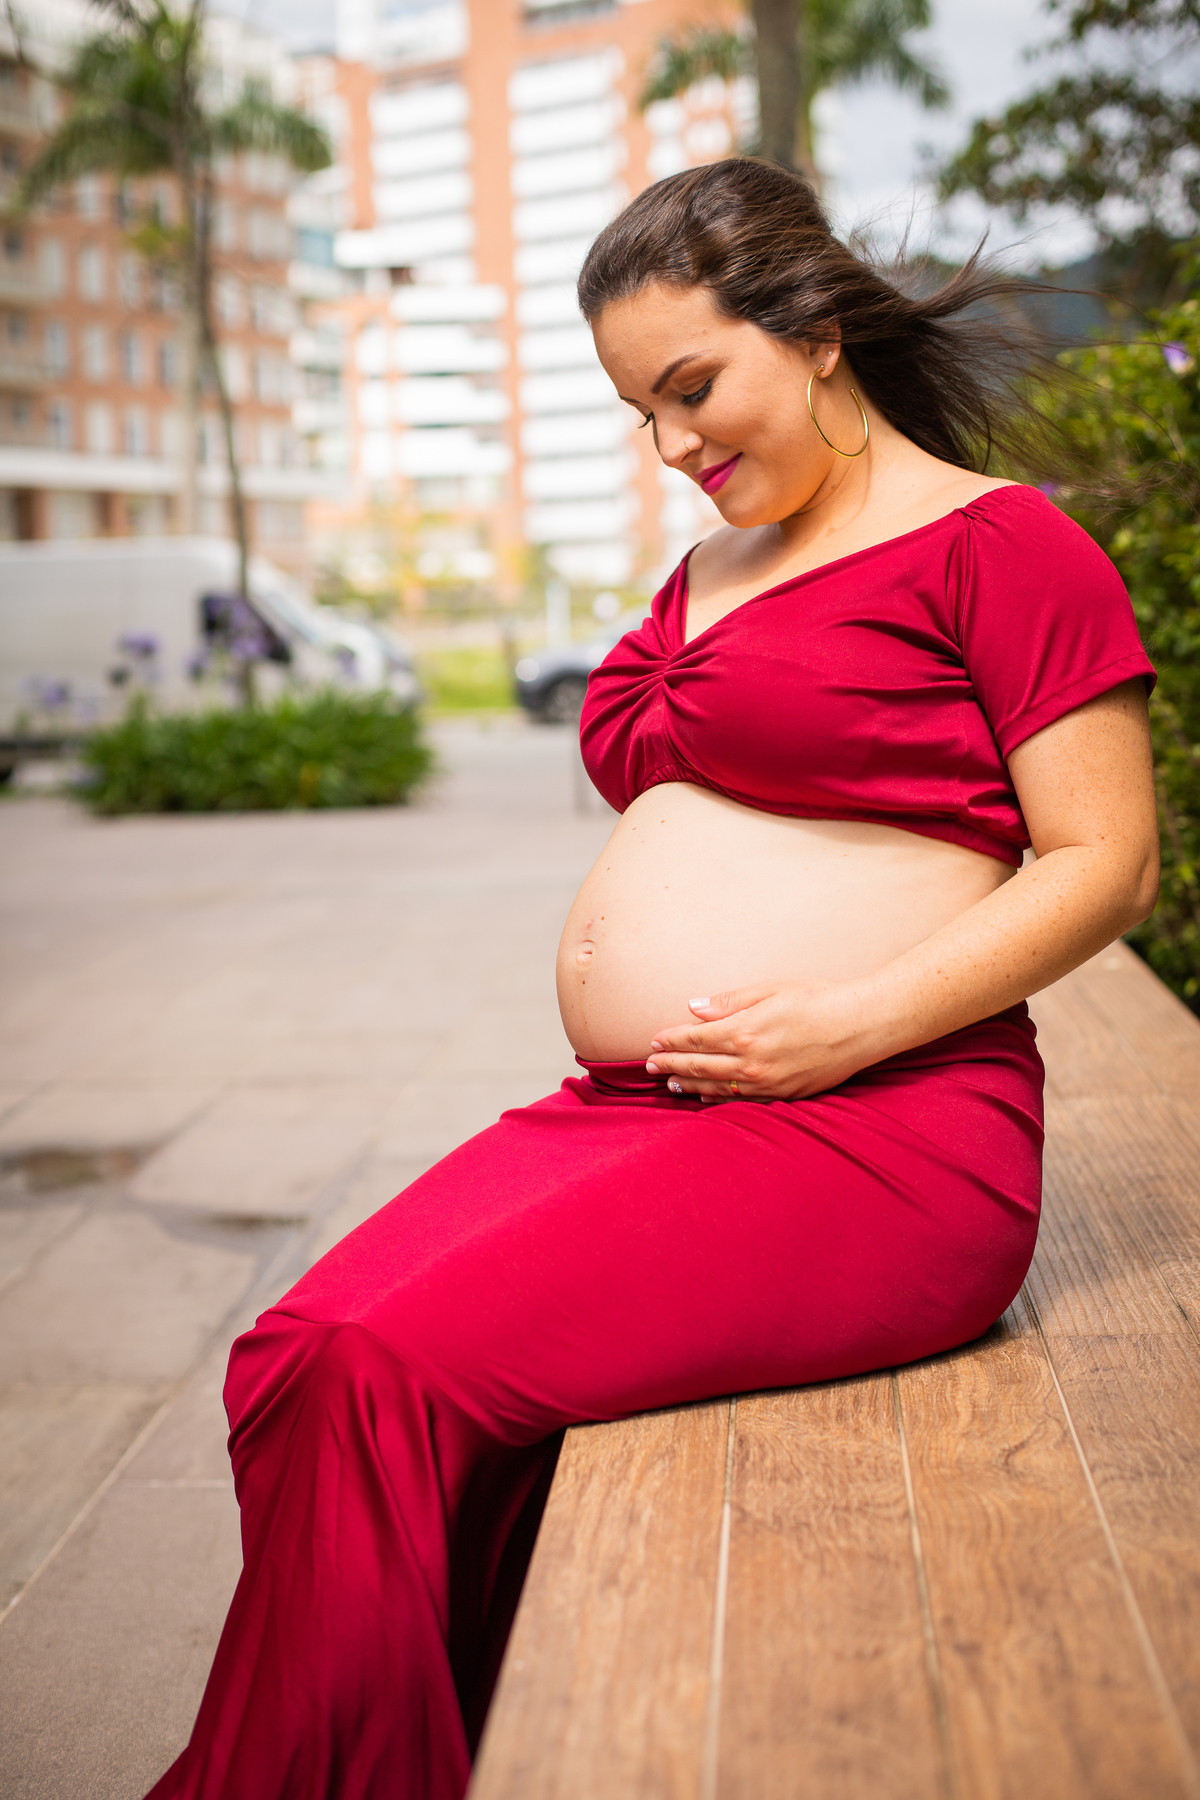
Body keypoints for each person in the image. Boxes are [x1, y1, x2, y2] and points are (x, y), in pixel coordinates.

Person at [146, 159, 1158, 1800]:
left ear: (818, 329)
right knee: (304, 1347)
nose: (677, 447)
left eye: (696, 388)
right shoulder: (720, 563)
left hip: (880, 1131)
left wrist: (847, 1023)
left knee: (372, 1369)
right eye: (644, 413)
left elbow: (1106, 862)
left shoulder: (1002, 546)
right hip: (659, 1111)